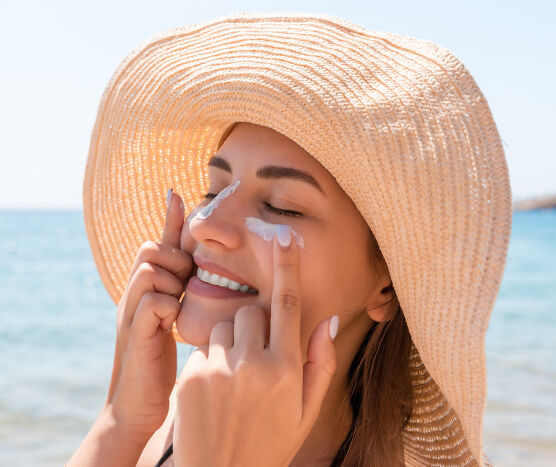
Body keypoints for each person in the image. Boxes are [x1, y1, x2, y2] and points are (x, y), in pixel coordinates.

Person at [67, 12, 511, 467]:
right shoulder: (188, 409)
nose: (205, 224)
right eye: (213, 191)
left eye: (281, 206)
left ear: (387, 284)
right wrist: (121, 421)